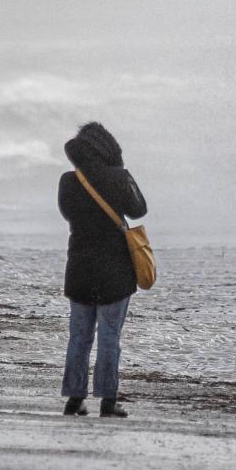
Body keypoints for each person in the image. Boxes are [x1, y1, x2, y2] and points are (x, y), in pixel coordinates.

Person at [57, 121, 147, 418]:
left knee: (79, 337)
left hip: (80, 267)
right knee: (110, 337)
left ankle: (74, 398)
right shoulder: (119, 177)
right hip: (115, 270)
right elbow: (138, 210)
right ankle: (108, 401)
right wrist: (124, 177)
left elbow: (68, 214)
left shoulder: (69, 181)